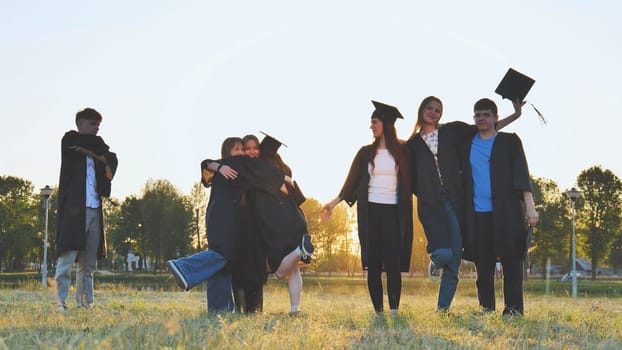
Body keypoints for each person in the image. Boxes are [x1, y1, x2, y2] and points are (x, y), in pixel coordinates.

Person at [406, 96, 522, 312]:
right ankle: (436, 261)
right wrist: (424, 192)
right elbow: (407, 176)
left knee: (456, 258)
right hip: (431, 206)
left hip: (455, 201)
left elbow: (486, 128)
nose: (433, 112)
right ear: (421, 110)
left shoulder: (451, 132)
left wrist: (515, 115)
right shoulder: (412, 145)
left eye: (437, 110)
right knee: (444, 254)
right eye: (429, 108)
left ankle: (442, 309)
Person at [322, 101, 413, 317]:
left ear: (386, 124)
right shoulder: (365, 153)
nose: (371, 126)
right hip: (371, 212)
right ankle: (379, 312)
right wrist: (332, 204)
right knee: (373, 263)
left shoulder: (403, 151)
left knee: (392, 263)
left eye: (374, 122)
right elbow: (351, 182)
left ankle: (394, 311)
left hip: (394, 213)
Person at [461, 98, 538, 315]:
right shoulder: (467, 143)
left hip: (508, 214)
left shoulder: (510, 142)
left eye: (486, 114)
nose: (481, 118)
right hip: (478, 215)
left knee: (512, 264)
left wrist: (530, 207)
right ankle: (486, 309)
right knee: (483, 267)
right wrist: (515, 115)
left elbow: (522, 174)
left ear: (495, 117)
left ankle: (513, 311)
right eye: (477, 115)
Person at [54, 107, 118, 312]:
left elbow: (113, 159)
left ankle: (85, 304)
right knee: (67, 259)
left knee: (88, 265)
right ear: (80, 122)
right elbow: (105, 152)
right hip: (74, 211)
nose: (97, 128)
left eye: (99, 124)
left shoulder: (93, 148)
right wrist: (101, 154)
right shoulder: (69, 140)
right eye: (93, 123)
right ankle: (59, 303)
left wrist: (93, 154)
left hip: (94, 210)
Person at [232, 134, 267, 313]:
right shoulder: (238, 169)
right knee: (239, 267)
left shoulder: (263, 169)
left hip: (259, 226)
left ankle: (256, 309)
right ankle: (239, 308)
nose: (252, 152)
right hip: (239, 225)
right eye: (247, 148)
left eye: (255, 148)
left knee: (257, 268)